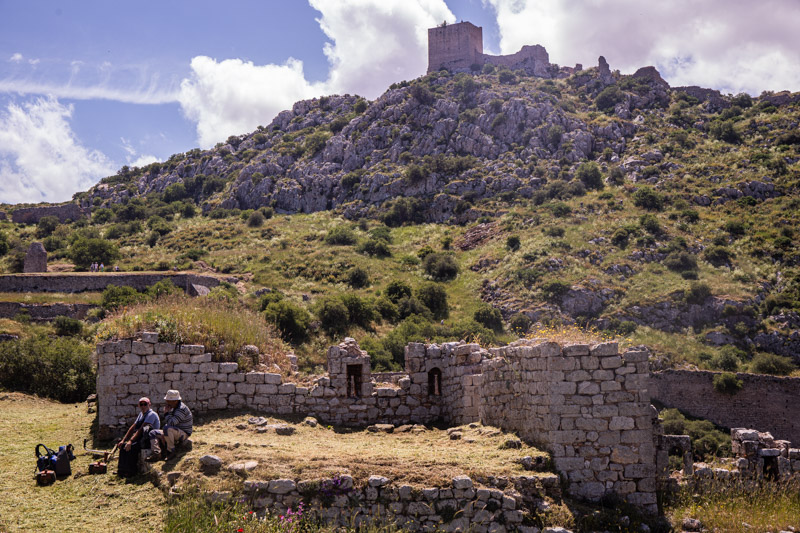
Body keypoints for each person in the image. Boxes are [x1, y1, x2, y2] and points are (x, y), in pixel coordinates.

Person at [116, 397, 160, 477]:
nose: (143, 406)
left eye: (145, 404)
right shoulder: (141, 414)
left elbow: (141, 429)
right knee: (123, 446)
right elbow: (133, 427)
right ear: (139, 405)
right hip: (141, 438)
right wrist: (124, 440)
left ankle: (131, 472)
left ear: (149, 404)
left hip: (149, 439)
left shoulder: (151, 414)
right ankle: (121, 470)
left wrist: (131, 441)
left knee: (132, 448)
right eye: (141, 404)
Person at [147, 390, 192, 462]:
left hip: (183, 433)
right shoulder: (173, 407)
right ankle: (156, 453)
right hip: (173, 430)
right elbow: (170, 423)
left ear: (175, 401)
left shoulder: (181, 409)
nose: (167, 402)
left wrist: (166, 413)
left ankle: (171, 451)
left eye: (168, 401)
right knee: (153, 433)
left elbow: (172, 423)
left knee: (167, 428)